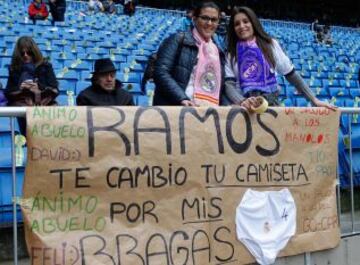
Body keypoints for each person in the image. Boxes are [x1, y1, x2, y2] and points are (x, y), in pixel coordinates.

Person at [224, 6, 336, 110]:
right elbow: (229, 85)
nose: (242, 26)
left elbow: (290, 73)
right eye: (237, 24)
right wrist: (242, 101)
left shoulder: (270, 45)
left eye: (246, 21)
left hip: (270, 106)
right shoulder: (231, 54)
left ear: (253, 23)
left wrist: (314, 100)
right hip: (244, 109)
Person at [153, 1, 227, 106]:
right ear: (195, 19)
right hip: (177, 109)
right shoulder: (177, 39)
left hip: (207, 112)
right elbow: (161, 72)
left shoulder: (218, 51)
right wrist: (182, 98)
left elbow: (221, 86)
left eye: (214, 20)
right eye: (205, 18)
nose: (209, 23)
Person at [4, 36, 59, 135]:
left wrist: (38, 87)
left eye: (29, 52)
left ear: (34, 52)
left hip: (43, 106)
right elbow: (8, 91)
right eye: (22, 53)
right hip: (22, 109)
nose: (25, 55)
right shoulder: (14, 69)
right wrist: (20, 88)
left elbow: (54, 88)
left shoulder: (46, 66)